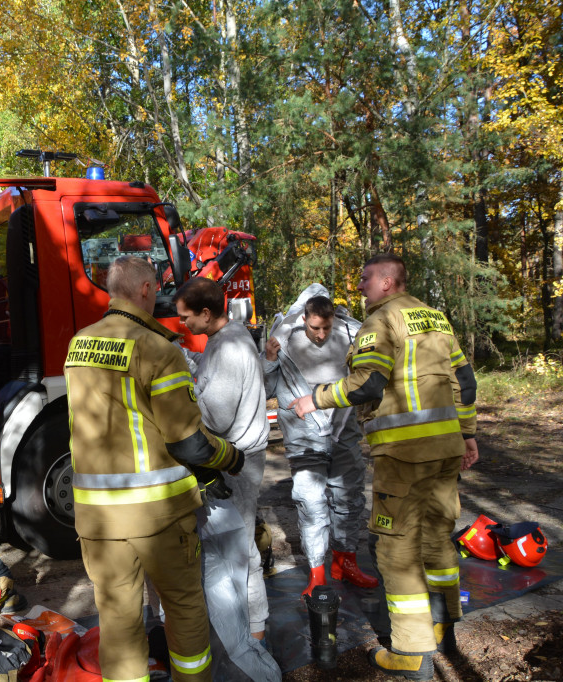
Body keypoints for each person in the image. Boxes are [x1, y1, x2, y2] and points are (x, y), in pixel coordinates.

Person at [291, 254, 479, 681]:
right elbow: (464, 383)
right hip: (446, 448)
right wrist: (467, 434)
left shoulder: (381, 323)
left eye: (365, 279)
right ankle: (443, 626)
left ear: (388, 281)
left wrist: (314, 398)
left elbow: (367, 384)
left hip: (405, 455)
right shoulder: (437, 320)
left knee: (395, 550)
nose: (359, 286)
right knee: (437, 537)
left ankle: (412, 653)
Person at [65, 256, 245, 682]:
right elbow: (189, 442)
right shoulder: (156, 349)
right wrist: (230, 458)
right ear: (146, 291)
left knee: (118, 619)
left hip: (97, 518)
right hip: (158, 516)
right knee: (183, 607)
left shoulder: (79, 343)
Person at [173, 277, 281, 682]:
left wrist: (182, 393)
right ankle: (252, 634)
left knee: (237, 551)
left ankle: (254, 637)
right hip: (238, 455)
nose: (183, 323)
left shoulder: (231, 347)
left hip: (234, 459)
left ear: (206, 313)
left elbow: (213, 416)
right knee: (237, 546)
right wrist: (190, 363)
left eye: (186, 317)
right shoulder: (227, 339)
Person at [264, 284, 378, 597]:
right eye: (315, 327)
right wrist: (269, 359)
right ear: (304, 319)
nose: (321, 334)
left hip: (344, 431)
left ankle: (345, 562)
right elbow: (265, 387)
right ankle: (317, 574)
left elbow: (368, 376)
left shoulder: (350, 333)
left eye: (326, 327)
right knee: (310, 501)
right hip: (304, 436)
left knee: (349, 498)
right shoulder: (285, 337)